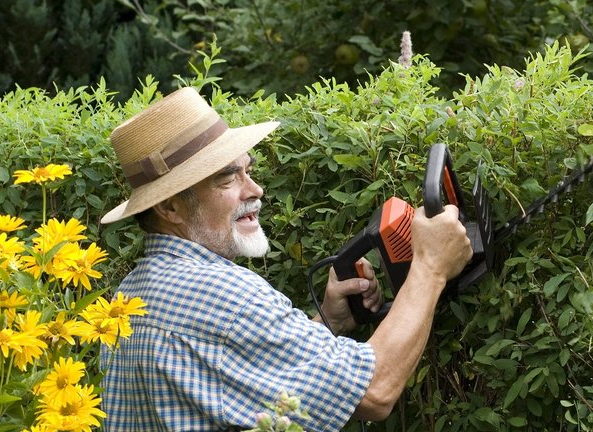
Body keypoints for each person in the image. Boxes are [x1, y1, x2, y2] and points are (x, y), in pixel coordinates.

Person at [99, 87, 473, 431]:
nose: (256, 189)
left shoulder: (127, 298)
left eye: (248, 171)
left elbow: (237, 374)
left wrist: (329, 322)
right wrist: (430, 267)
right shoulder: (224, 294)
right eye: (228, 178)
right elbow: (374, 391)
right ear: (170, 207)